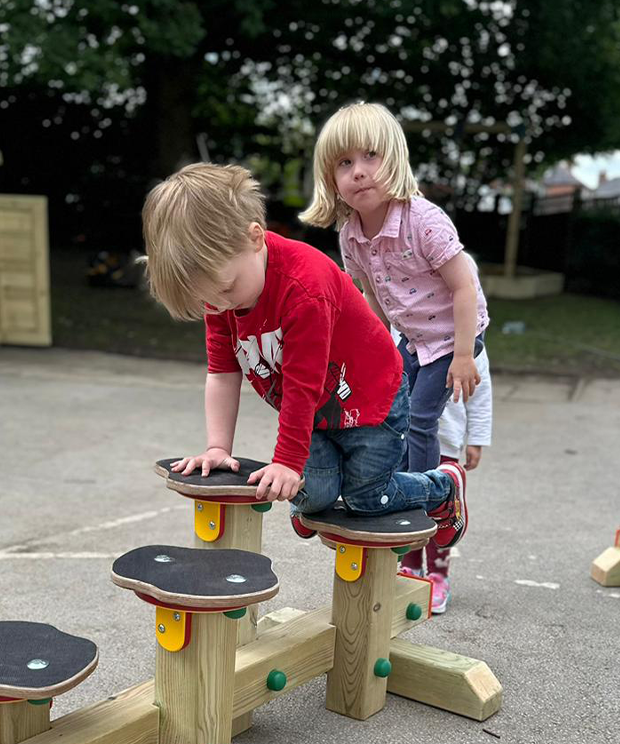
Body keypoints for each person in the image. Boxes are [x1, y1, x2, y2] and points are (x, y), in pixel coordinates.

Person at [138, 162, 467, 546]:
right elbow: (222, 371)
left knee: (367, 499)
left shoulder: (304, 288)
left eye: (226, 290)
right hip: (316, 412)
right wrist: (217, 447)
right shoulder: (220, 295)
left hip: (372, 403)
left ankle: (442, 487)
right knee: (315, 497)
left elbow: (302, 385)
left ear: (255, 238)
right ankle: (318, 494)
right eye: (208, 299)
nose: (220, 305)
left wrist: (288, 463)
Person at [299, 100, 490, 606]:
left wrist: (466, 356)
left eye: (371, 157)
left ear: (395, 159)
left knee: (422, 421)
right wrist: (375, 354)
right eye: (344, 163)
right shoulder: (350, 235)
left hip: (454, 337)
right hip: (411, 338)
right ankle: (380, 487)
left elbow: (465, 288)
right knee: (385, 411)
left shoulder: (423, 221)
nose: (359, 171)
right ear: (331, 177)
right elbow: (370, 299)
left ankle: (430, 499)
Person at [399, 339, 493, 612]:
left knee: (441, 511)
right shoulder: (402, 324)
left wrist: (477, 438)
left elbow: (481, 389)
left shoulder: (468, 341)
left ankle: (438, 574)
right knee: (408, 506)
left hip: (445, 440)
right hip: (403, 440)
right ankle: (410, 566)